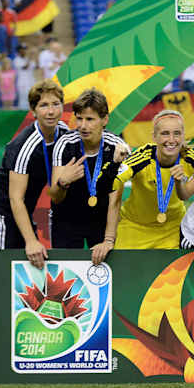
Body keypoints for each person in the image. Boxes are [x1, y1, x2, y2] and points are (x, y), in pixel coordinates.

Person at [0, 81, 67, 309]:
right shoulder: (24, 145)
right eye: (44, 105)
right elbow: (15, 198)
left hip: (20, 215)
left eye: (55, 104)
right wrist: (31, 240)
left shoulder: (64, 134)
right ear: (33, 111)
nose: (51, 111)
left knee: (28, 284)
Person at [48, 89, 127, 260]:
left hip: (101, 219)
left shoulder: (117, 147)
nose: (83, 126)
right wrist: (63, 182)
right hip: (67, 218)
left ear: (104, 120)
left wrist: (108, 240)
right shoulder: (65, 144)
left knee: (105, 270)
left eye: (90, 119)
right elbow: (55, 197)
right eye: (79, 118)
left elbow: (115, 200)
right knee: (66, 270)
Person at [111, 110, 194, 249]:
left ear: (183, 135)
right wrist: (115, 163)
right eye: (165, 133)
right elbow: (111, 183)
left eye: (177, 133)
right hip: (134, 227)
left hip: (172, 228)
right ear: (154, 136)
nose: (171, 140)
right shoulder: (142, 157)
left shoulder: (190, 158)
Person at [13, 44, 37, 109]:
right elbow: (25, 67)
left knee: (32, 98)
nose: (24, 51)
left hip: (31, 81)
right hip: (22, 82)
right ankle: (22, 113)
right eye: (22, 49)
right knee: (23, 99)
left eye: (25, 49)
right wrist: (30, 57)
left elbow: (36, 66)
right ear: (18, 51)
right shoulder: (16, 60)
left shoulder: (28, 59)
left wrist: (35, 55)